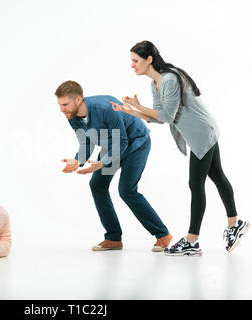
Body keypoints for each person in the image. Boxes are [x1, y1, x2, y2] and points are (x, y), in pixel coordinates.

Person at [111, 40, 250, 256]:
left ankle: (192, 241)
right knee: (217, 175)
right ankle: (235, 224)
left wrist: (139, 107)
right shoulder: (154, 83)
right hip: (202, 131)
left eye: (135, 60)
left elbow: (167, 115)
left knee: (196, 184)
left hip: (201, 132)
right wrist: (132, 112)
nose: (132, 65)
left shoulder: (168, 79)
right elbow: (161, 117)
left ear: (149, 59)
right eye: (131, 61)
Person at [56, 80, 172, 252]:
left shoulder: (105, 108)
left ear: (78, 99)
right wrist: (77, 161)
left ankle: (162, 234)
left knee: (127, 190)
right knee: (97, 185)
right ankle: (113, 238)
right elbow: (86, 141)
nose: (62, 109)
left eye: (65, 104)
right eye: (59, 105)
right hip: (113, 145)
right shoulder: (71, 116)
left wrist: (102, 163)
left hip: (136, 144)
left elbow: (123, 142)